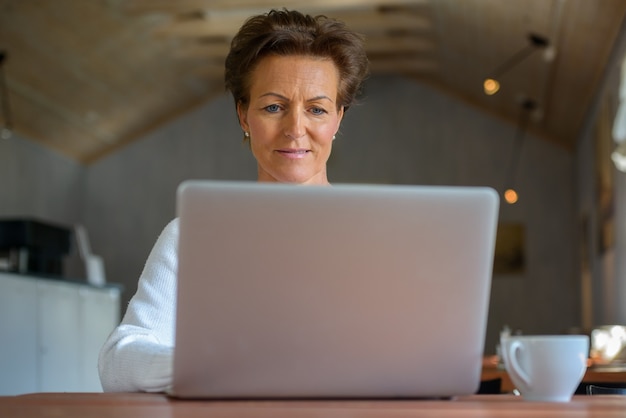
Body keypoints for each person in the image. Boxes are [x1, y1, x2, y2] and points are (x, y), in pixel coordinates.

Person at [97, 8, 369, 392]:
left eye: (317, 109)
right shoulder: (193, 235)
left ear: (338, 119)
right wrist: (214, 364)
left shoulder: (377, 237)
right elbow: (117, 363)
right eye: (273, 107)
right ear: (243, 115)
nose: (295, 129)